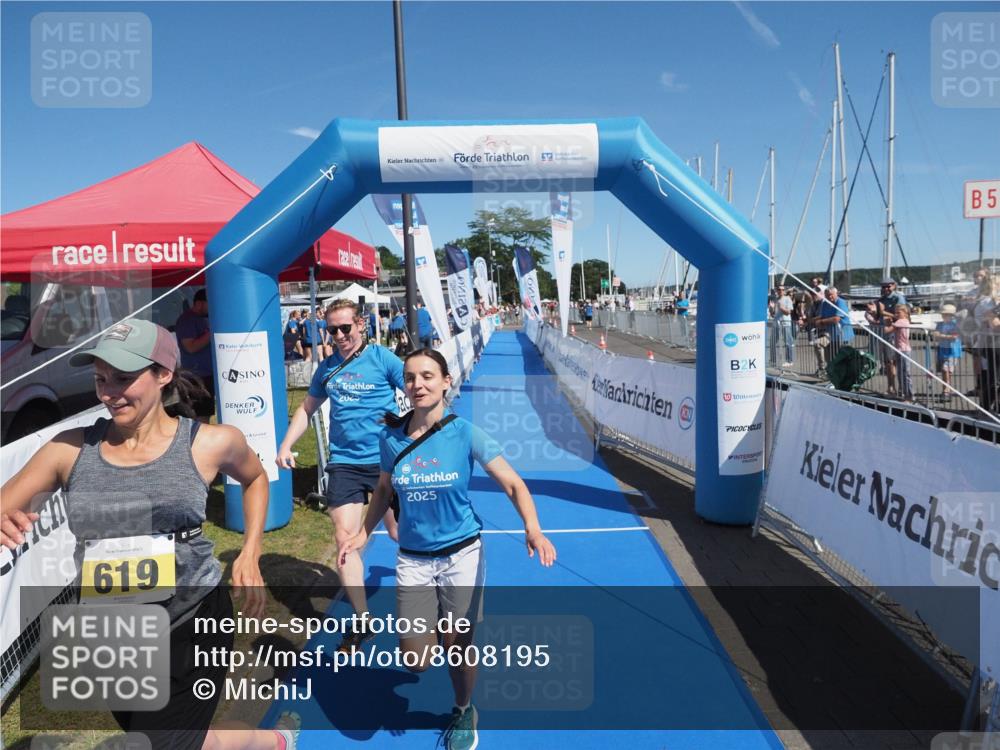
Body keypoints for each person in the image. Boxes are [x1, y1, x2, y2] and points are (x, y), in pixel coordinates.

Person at [0, 319, 298, 750]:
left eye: (123, 378)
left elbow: (255, 479)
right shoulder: (68, 450)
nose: (108, 393)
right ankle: (272, 742)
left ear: (163, 375)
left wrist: (250, 550)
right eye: (101, 379)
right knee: (175, 738)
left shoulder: (210, 443)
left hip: (193, 617)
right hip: (113, 632)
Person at [338, 348, 557, 750]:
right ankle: (441, 626)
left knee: (457, 646)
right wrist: (364, 534)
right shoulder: (390, 438)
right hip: (415, 559)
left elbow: (513, 483)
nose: (417, 384)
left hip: (462, 554)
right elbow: (384, 489)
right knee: (416, 661)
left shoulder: (464, 432)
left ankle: (463, 709)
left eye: (426, 376)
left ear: (444, 382)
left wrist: (533, 528)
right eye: (409, 377)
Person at [275, 299, 404, 652]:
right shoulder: (327, 369)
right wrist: (285, 445)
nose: (340, 335)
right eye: (332, 330)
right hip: (345, 463)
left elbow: (418, 392)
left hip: (385, 463)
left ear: (360, 325)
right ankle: (363, 620)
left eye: (346, 328)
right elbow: (306, 408)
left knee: (397, 532)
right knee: (345, 539)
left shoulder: (381, 358)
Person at [174, 289, 214, 421]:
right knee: (200, 414)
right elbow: (190, 347)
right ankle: (199, 440)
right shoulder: (187, 320)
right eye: (210, 304)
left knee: (206, 412)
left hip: (207, 374)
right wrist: (211, 332)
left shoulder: (202, 319)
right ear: (199, 303)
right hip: (196, 376)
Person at [933, 303, 963, 398]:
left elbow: (955, 336)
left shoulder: (956, 325)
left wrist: (944, 336)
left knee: (946, 369)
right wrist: (946, 336)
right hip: (943, 348)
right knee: (944, 370)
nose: (945, 316)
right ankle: (946, 388)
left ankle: (946, 389)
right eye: (944, 314)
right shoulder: (940, 324)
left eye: (947, 314)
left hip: (952, 350)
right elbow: (936, 334)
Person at [891, 304, 914, 401]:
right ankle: (905, 393)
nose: (896, 314)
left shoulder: (902, 321)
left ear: (905, 313)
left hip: (904, 350)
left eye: (898, 312)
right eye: (895, 312)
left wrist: (886, 320)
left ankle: (909, 395)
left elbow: (887, 330)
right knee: (901, 373)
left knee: (905, 373)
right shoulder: (900, 321)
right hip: (899, 350)